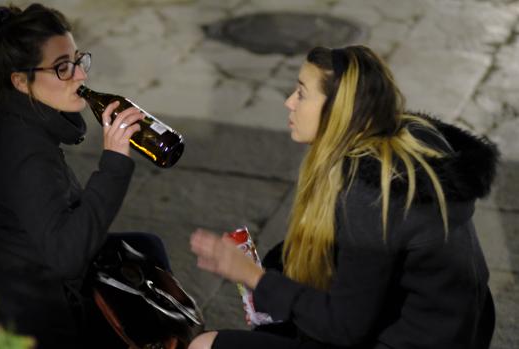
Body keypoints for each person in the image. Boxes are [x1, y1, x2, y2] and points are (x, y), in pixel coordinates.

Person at [189, 45, 498, 349]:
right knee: (282, 278)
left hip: (410, 339)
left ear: (338, 111)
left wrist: (254, 277)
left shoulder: (368, 194)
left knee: (205, 345)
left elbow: (344, 328)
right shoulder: (408, 141)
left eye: (301, 93)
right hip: (459, 331)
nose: (288, 102)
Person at [0, 4, 170, 348]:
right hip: (21, 320)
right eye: (62, 68)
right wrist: (113, 161)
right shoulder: (25, 152)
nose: (81, 76)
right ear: (20, 80)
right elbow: (67, 256)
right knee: (146, 312)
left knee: (147, 248)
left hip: (4, 283)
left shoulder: (7, 116)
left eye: (78, 60)